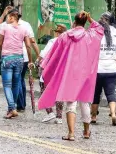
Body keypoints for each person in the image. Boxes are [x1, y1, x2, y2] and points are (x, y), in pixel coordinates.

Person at [38, 11, 104, 141]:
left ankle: (71, 134)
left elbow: (55, 54)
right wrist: (91, 19)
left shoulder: (64, 36)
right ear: (85, 23)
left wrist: (49, 67)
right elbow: (100, 29)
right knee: (84, 102)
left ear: (74, 22)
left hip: (69, 73)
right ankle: (86, 131)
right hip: (86, 73)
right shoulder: (90, 35)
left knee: (70, 102)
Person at [0, 6, 40, 112]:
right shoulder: (26, 26)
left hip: (8, 58)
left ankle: (12, 107)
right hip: (21, 58)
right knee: (19, 81)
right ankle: (19, 104)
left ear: (11, 16)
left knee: (8, 84)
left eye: (7, 16)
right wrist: (33, 58)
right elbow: (30, 43)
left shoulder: (5, 26)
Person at [90, 12, 116, 126]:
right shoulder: (115, 33)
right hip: (112, 68)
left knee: (95, 94)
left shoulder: (96, 32)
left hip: (98, 69)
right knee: (111, 93)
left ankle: (93, 117)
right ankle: (113, 114)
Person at [38, 24, 67, 124]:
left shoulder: (53, 41)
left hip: (49, 69)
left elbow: (43, 54)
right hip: (61, 70)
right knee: (59, 92)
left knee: (43, 89)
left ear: (57, 33)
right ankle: (59, 117)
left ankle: (49, 112)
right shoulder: (68, 42)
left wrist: (38, 62)